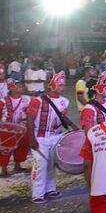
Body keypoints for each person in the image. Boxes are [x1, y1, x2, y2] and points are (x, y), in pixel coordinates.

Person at [26, 71, 76, 204]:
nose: (63, 88)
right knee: (40, 165)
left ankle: (50, 189)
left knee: (51, 165)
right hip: (40, 137)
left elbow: (63, 118)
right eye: (60, 85)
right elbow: (29, 119)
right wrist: (31, 138)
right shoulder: (38, 101)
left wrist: (74, 127)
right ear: (52, 86)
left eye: (63, 85)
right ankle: (37, 193)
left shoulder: (65, 101)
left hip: (56, 137)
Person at [0, 79, 30, 177]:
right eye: (20, 86)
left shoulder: (27, 99)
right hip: (7, 130)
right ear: (12, 89)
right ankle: (3, 169)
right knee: (6, 149)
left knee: (23, 146)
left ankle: (17, 166)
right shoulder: (3, 101)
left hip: (22, 128)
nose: (23, 87)